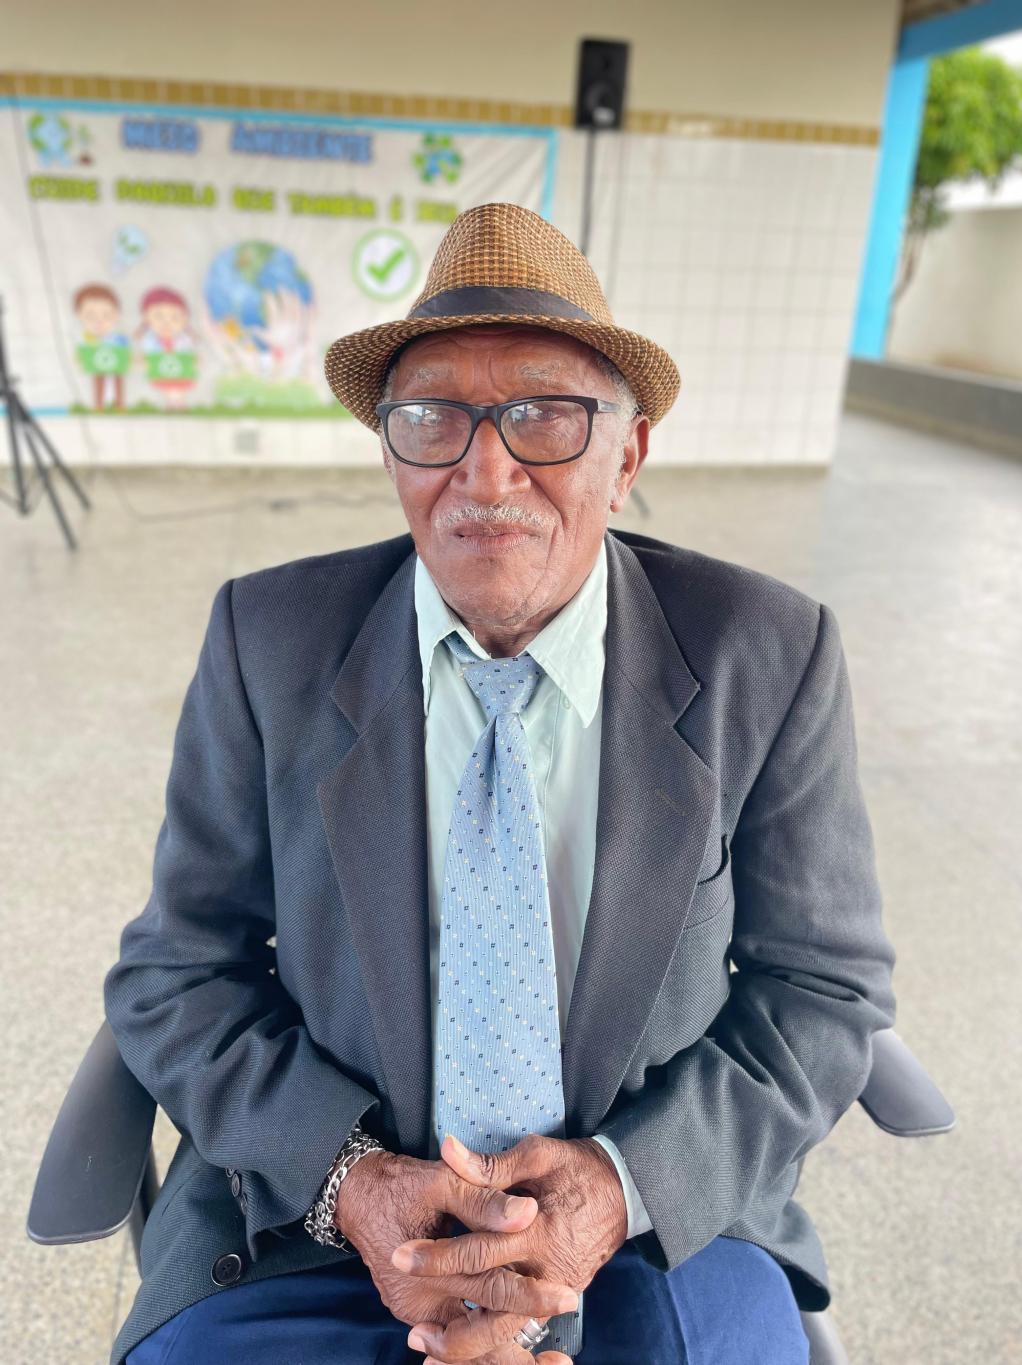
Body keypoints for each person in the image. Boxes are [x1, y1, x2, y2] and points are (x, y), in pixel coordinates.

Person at [104, 202, 896, 1365]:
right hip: (315, 1219)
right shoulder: (267, 643)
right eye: (432, 419)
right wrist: (349, 1180)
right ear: (390, 453)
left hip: (651, 1213)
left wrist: (620, 1185)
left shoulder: (763, 656)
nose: (486, 471)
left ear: (627, 457)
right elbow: (178, 972)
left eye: (545, 417)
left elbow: (825, 987)